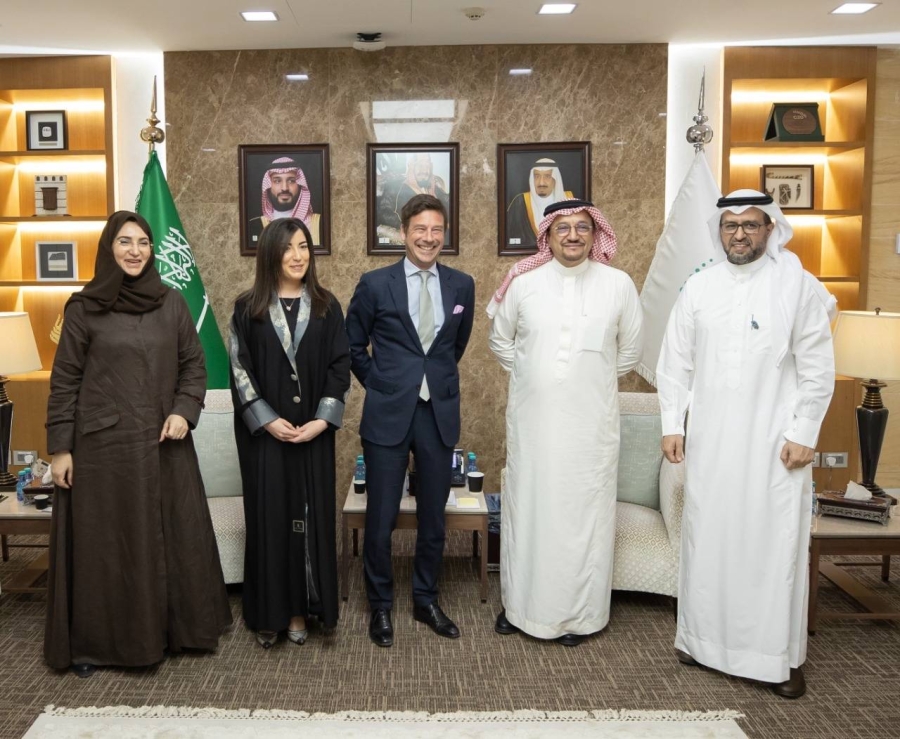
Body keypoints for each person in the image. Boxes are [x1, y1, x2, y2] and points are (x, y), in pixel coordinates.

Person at [656, 189, 836, 699]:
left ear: (770, 229)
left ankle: (776, 659)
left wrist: (804, 433)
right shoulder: (700, 287)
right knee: (708, 540)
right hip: (712, 443)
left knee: (771, 547)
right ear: (719, 231)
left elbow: (818, 366)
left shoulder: (796, 286)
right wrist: (672, 424)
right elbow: (675, 363)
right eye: (730, 225)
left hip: (774, 445)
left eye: (750, 225)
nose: (739, 234)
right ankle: (701, 642)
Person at [45, 210, 232, 678]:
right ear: (109, 248)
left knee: (172, 537)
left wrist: (183, 411)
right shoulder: (83, 308)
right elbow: (65, 380)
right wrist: (61, 448)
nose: (135, 251)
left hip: (165, 445)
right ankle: (96, 645)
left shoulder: (172, 303)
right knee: (109, 546)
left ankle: (174, 633)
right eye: (125, 242)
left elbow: (194, 366)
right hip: (102, 454)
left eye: (144, 242)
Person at [488, 198, 642, 646]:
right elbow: (500, 341)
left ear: (596, 235)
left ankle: (579, 617)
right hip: (534, 426)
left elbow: (630, 353)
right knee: (529, 511)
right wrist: (536, 376)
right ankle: (520, 607)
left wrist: (584, 380)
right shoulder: (524, 284)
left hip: (590, 430)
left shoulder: (618, 285)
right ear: (548, 237)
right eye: (563, 228)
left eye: (582, 228)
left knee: (583, 519)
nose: (573, 236)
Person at [346, 193, 475, 647]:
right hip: (388, 413)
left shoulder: (462, 286)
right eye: (420, 229)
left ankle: (425, 599)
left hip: (438, 413)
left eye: (437, 229)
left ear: (445, 235)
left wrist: (434, 381)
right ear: (403, 233)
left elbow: (454, 347)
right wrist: (380, 382)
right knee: (381, 516)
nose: (429, 237)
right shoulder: (374, 284)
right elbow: (352, 344)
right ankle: (380, 605)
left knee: (433, 517)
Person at [229, 217, 351, 649]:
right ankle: (270, 613)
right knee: (270, 519)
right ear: (270, 254)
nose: (297, 256)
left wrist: (322, 419)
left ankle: (302, 610)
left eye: (303, 246)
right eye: (287, 248)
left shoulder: (326, 306)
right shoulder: (247, 308)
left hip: (313, 434)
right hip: (266, 438)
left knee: (309, 518)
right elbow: (239, 370)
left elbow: (340, 366)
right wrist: (265, 419)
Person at [377, 153, 451, 245]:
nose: (424, 170)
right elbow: (384, 213)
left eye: (427, 166)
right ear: (411, 166)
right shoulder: (396, 188)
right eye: (420, 165)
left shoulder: (433, 187)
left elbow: (450, 204)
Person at [248, 157, 321, 247]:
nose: (284, 188)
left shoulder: (319, 223)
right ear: (269, 186)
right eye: (277, 181)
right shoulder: (254, 226)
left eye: (291, 181)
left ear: (300, 185)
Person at [505, 158, 574, 248]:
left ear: (555, 179)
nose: (541, 183)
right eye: (537, 176)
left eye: (547, 176)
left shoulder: (569, 200)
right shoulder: (520, 202)